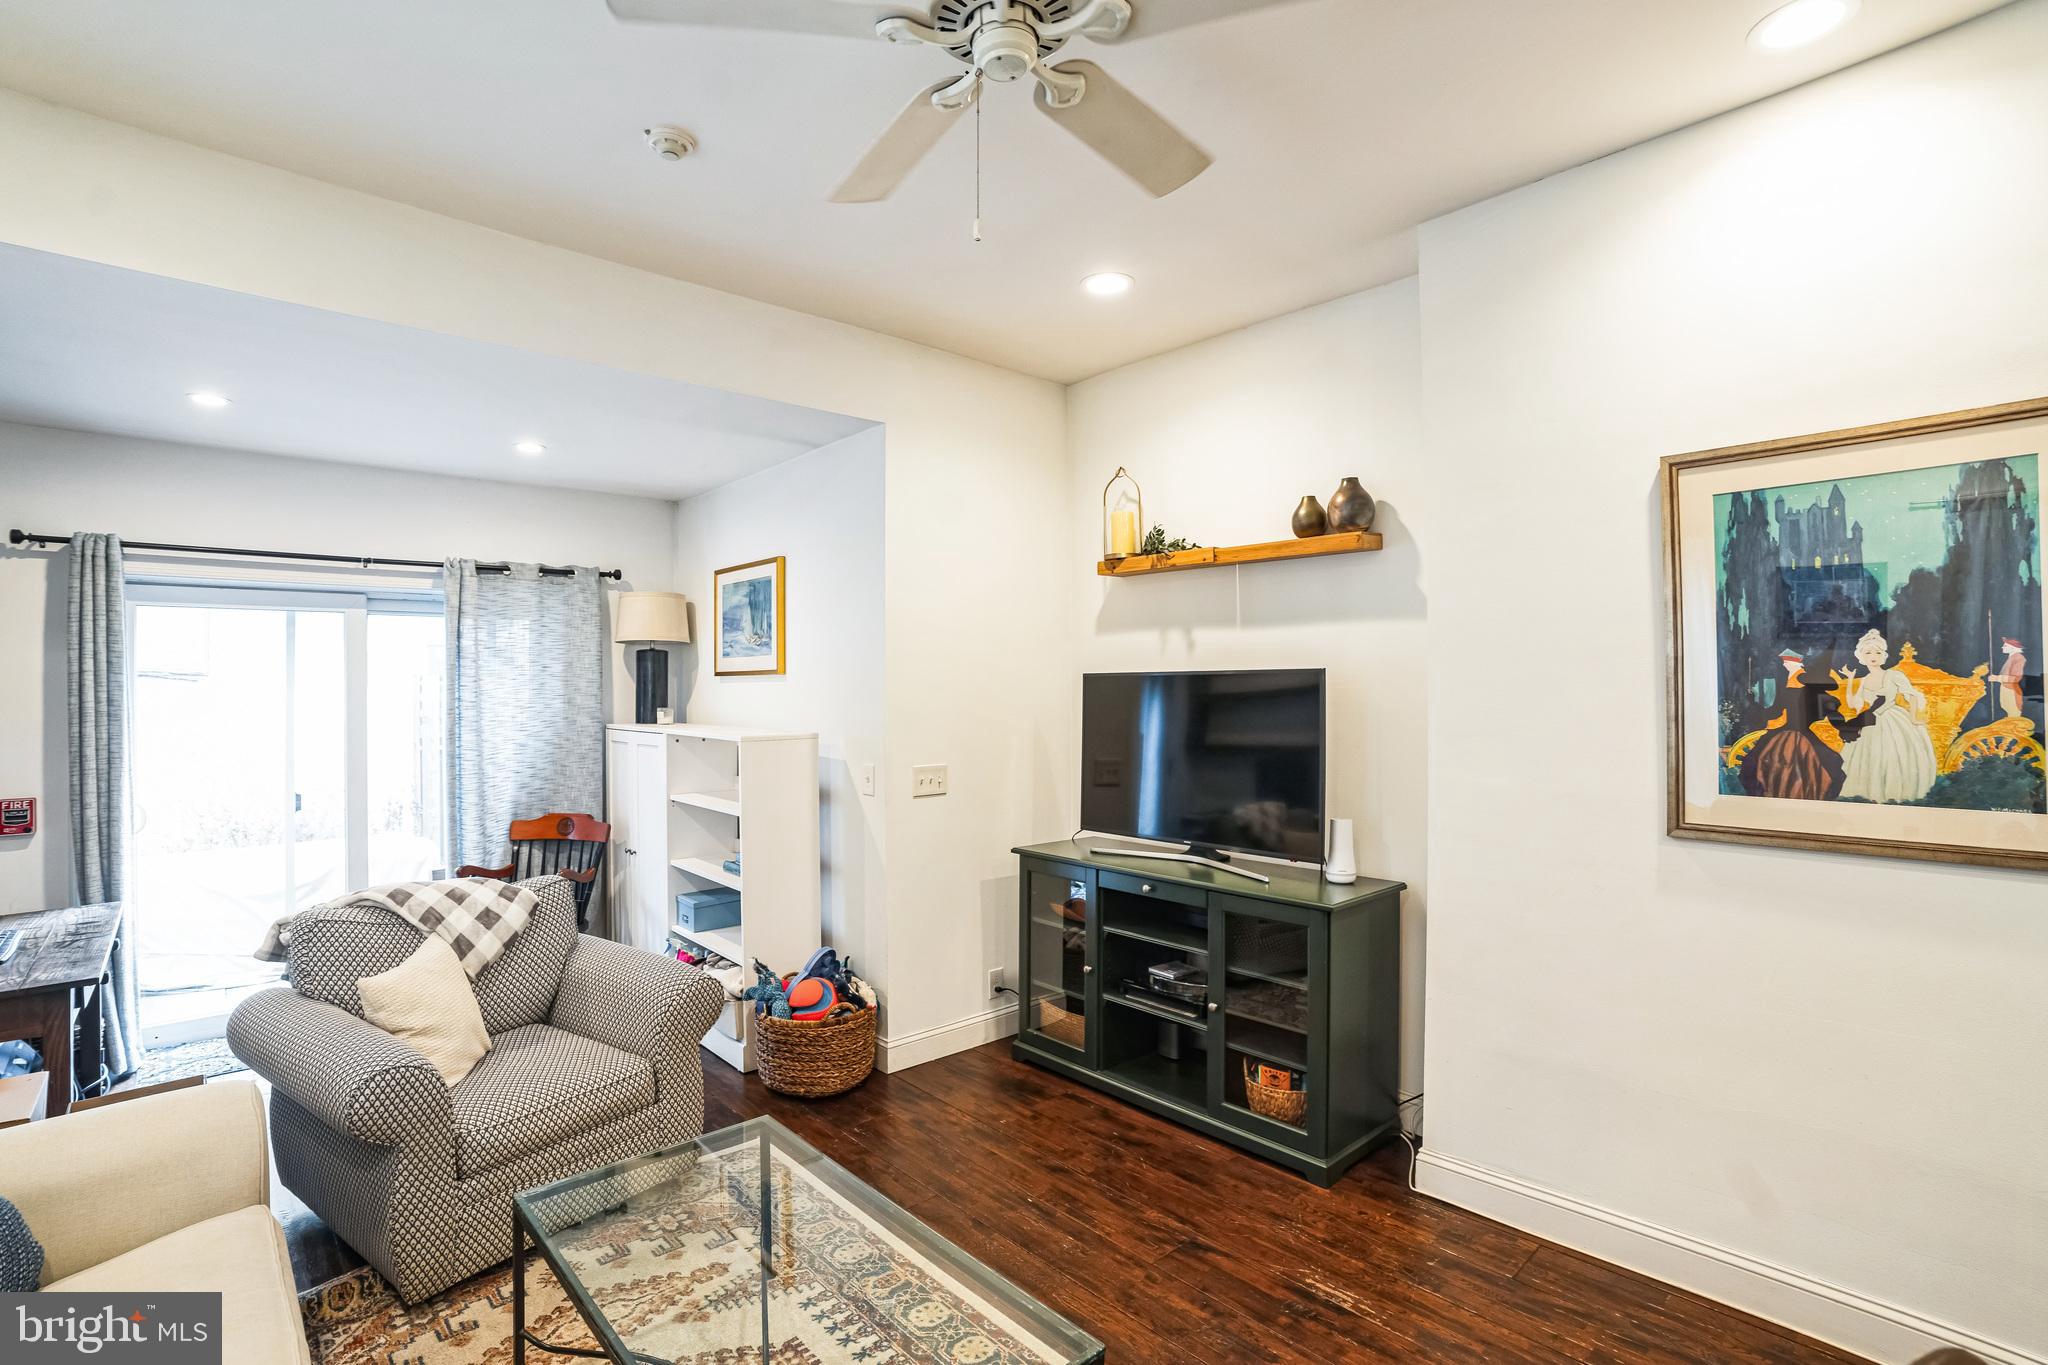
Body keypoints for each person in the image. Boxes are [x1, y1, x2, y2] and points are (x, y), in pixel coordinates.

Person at [1837, 629, 1938, 803]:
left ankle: (1896, 796)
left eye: (1877, 652)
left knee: (1895, 758)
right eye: (1868, 652)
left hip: (1894, 720)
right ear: (1861, 656)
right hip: (1871, 723)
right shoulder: (1864, 680)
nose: (1873, 656)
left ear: (1883, 655)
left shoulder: (1894, 675)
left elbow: (1911, 695)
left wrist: (1914, 717)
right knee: (1871, 759)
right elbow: (1854, 705)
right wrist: (1851, 680)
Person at [1738, 651, 1845, 801]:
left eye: (1786, 662)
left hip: (1793, 734)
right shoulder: (1800, 689)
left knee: (1762, 759)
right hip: (1797, 734)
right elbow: (1775, 712)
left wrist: (1754, 706)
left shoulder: (1806, 691)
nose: (1784, 664)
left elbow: (1773, 713)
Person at [1992, 636, 2028, 722]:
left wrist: (1997, 678)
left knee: (2013, 712)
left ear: (2012, 648)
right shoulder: (2011, 657)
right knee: (2007, 708)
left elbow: (2016, 678)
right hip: (2006, 688)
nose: (2002, 647)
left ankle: (2013, 729)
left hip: (2011, 690)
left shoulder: (2019, 658)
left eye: (2005, 646)